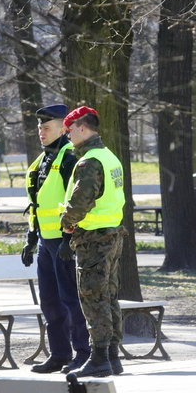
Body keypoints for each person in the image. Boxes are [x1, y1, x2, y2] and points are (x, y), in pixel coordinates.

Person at [22, 104, 91, 374]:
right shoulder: (40, 162)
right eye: (39, 126)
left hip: (65, 243)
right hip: (45, 242)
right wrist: (31, 238)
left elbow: (76, 201)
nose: (41, 131)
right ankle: (60, 354)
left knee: (71, 300)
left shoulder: (70, 157)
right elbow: (37, 204)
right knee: (50, 302)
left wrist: (67, 238)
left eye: (46, 126)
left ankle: (83, 353)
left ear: (63, 127)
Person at [59, 106, 126, 377]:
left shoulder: (89, 162)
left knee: (92, 299)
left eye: (70, 129)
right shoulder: (109, 157)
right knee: (108, 296)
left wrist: (66, 223)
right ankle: (111, 355)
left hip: (93, 239)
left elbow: (78, 205)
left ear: (83, 128)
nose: (68, 135)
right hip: (111, 235)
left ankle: (99, 359)